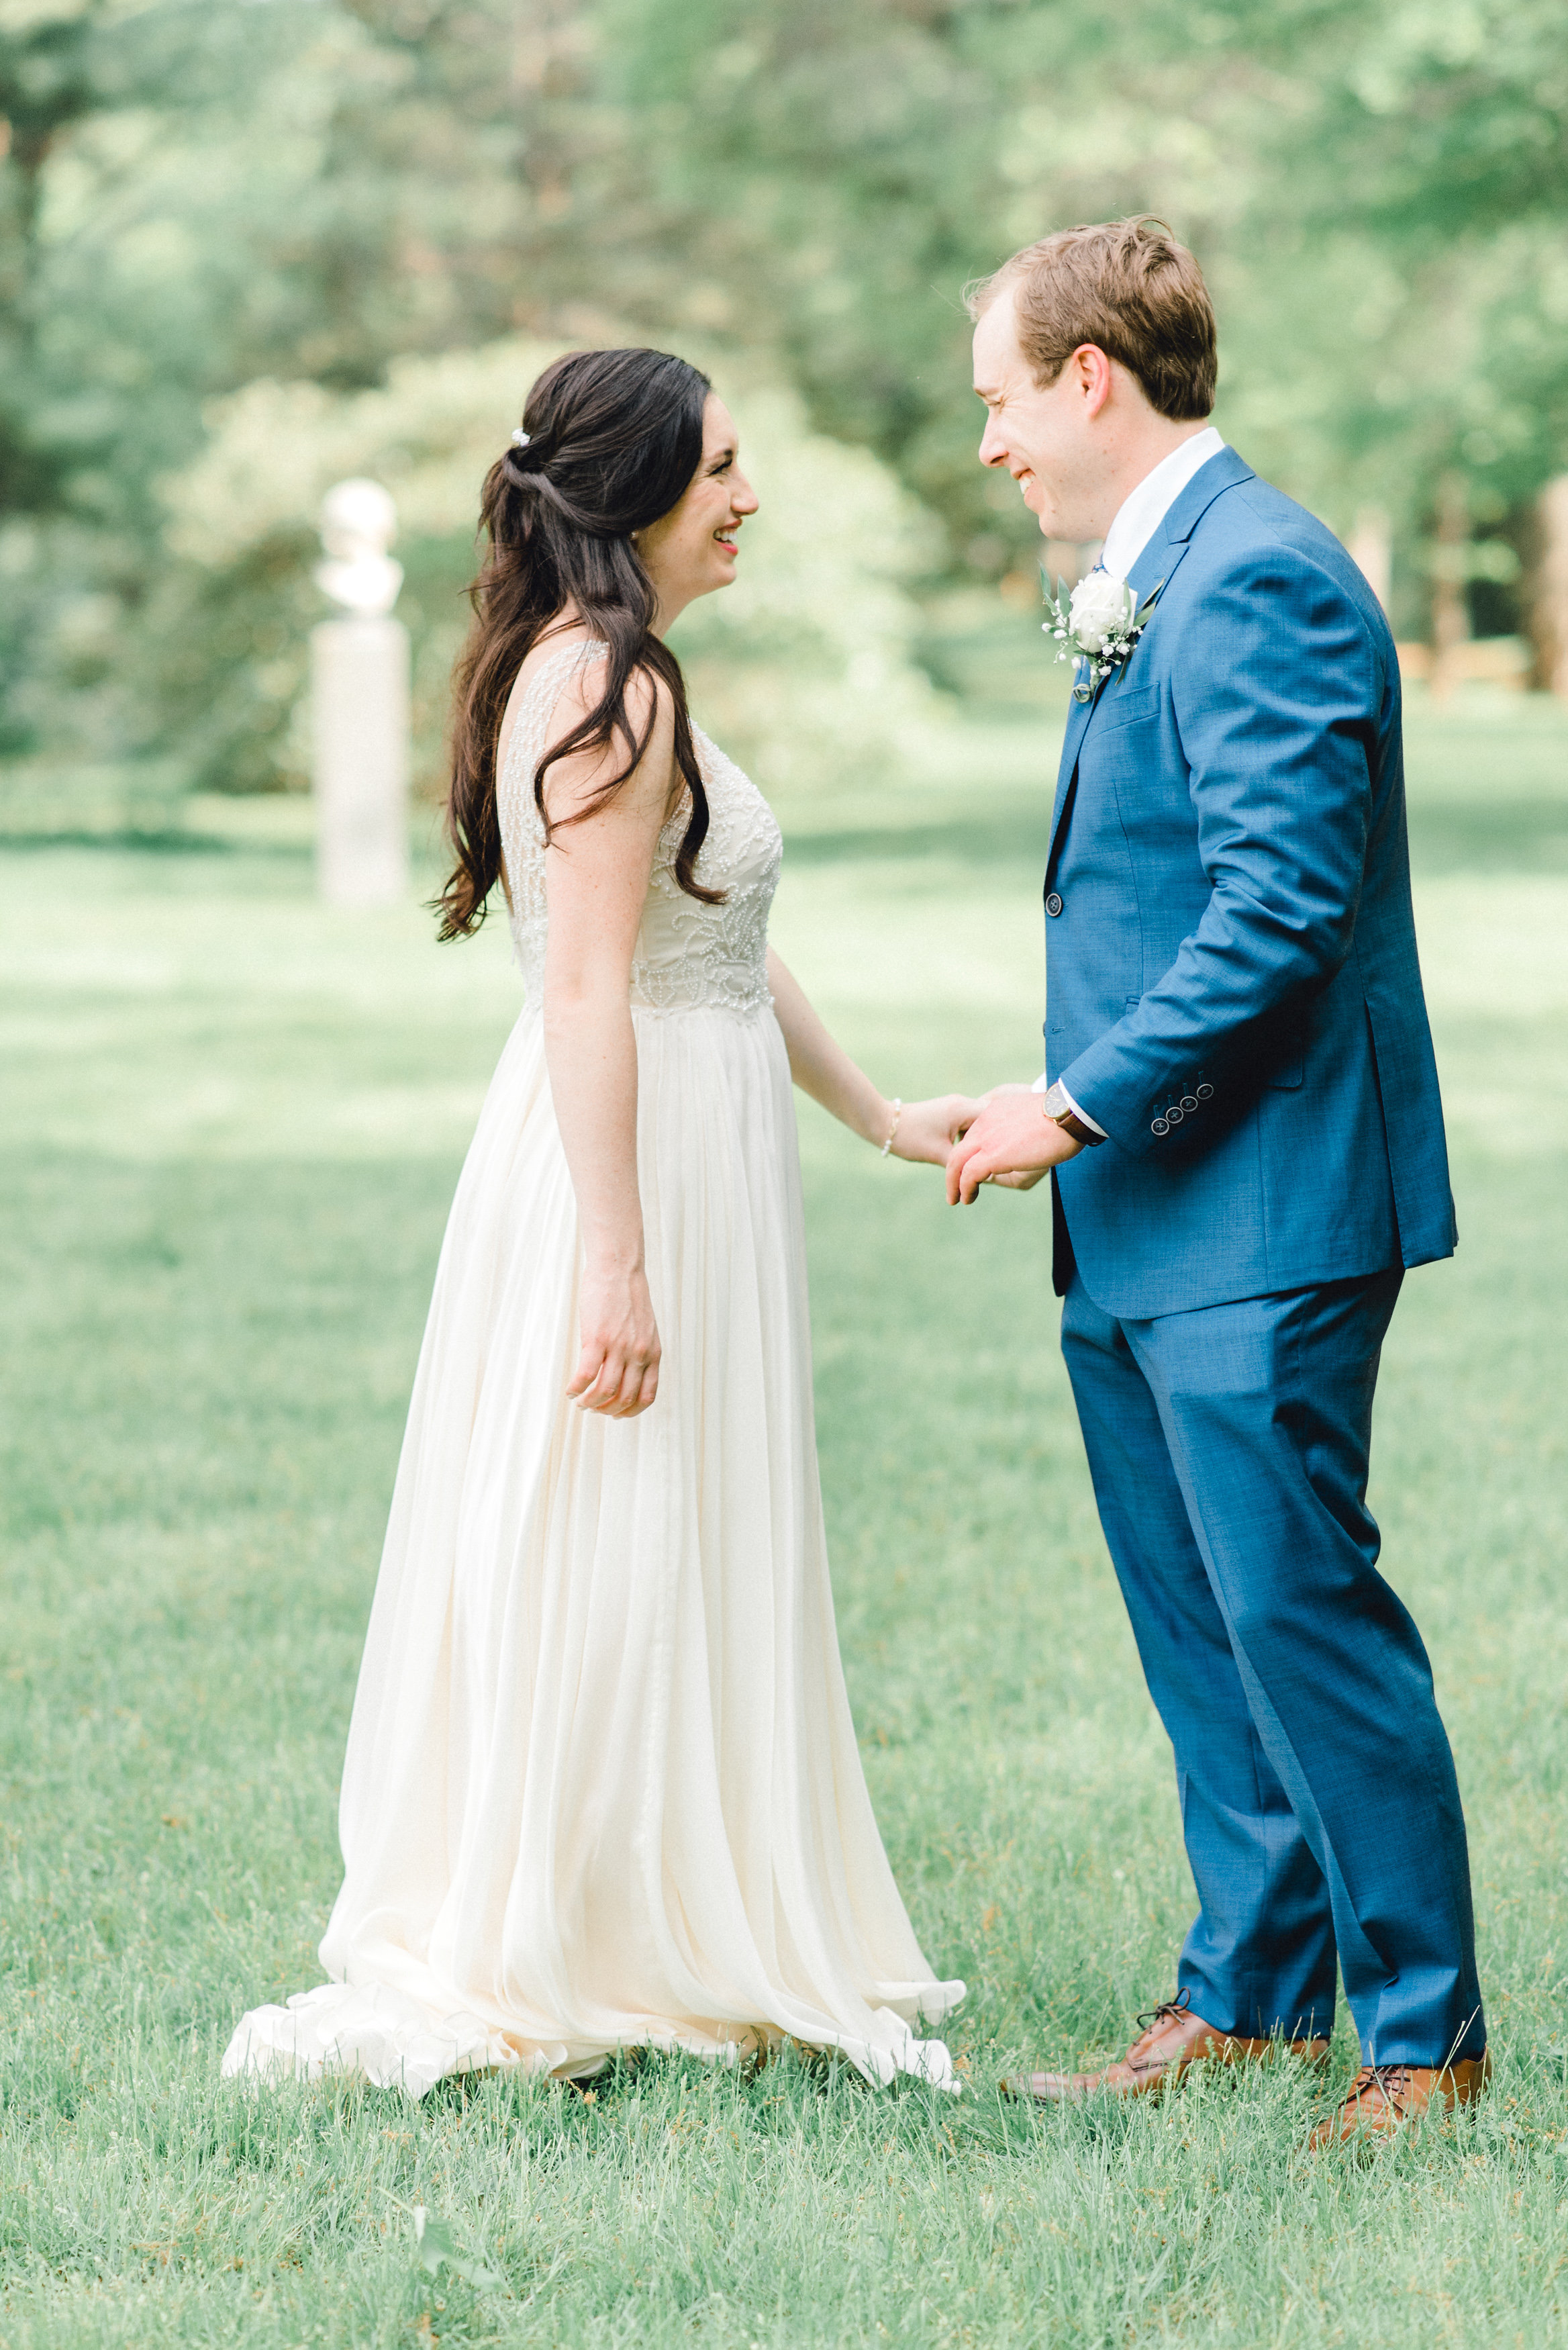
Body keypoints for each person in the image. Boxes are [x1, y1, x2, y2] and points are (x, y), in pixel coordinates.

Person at [223, 347, 969, 2096]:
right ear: (635, 491)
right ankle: (581, 1936)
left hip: (670, 1138)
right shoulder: (610, 685)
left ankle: (641, 1904)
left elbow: (718, 938)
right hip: (629, 1162)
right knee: (608, 1529)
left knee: (661, 1524)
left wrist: (877, 1113)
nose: (748, 497)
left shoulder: (591, 667)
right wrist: (618, 1260)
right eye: (720, 468)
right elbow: (585, 989)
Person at [946, 220, 1489, 2148]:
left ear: (1090, 377)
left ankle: (1425, 2036)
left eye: (1004, 398)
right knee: (1201, 1621)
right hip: (1144, 1209)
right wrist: (1061, 1106)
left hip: (1263, 1201)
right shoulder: (1154, 573)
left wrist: (1079, 1109)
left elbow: (1277, 911)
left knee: (1299, 1611)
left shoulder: (1259, 574)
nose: (992, 440)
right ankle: (1251, 1997)